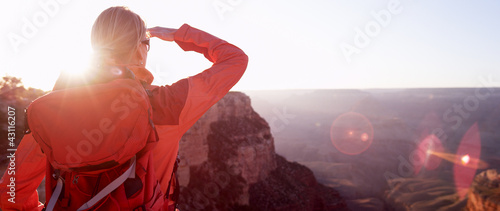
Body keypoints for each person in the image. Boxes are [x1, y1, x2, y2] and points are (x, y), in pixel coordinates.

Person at [0, 6, 247, 210]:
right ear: (139, 49)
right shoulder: (167, 104)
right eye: (146, 44)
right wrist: (176, 34)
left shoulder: (53, 110)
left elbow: (12, 193)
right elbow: (235, 59)